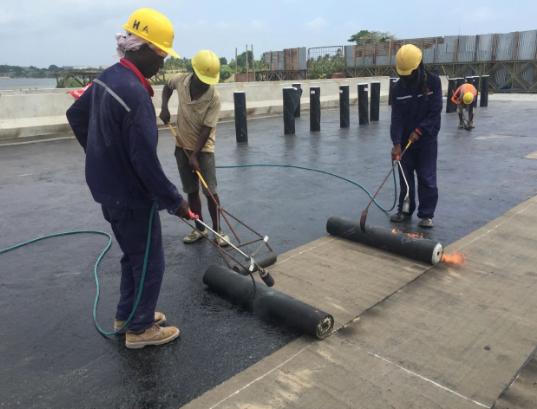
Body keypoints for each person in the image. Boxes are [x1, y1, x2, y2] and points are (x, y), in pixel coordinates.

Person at [66, 8, 193, 349]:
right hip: (130, 196)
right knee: (151, 258)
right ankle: (140, 330)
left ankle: (128, 314)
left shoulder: (108, 76)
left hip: (107, 189)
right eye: (162, 55)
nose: (163, 64)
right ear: (145, 49)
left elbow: (75, 114)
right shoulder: (136, 96)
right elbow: (144, 162)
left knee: (132, 254)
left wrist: (101, 157)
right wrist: (175, 201)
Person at [160, 50, 229, 246]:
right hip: (181, 145)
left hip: (203, 149)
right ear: (194, 72)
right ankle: (199, 229)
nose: (207, 82)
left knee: (210, 191)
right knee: (191, 191)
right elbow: (167, 87)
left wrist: (195, 155)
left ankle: (218, 231)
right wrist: (164, 107)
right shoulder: (181, 81)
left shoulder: (213, 97)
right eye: (203, 77)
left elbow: (207, 128)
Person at [389, 44, 443, 228]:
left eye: (409, 73)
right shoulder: (397, 89)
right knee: (406, 179)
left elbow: (435, 113)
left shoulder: (433, 83)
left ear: (419, 66)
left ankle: (426, 214)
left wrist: (420, 131)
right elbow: (396, 117)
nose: (406, 77)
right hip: (405, 142)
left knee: (426, 177)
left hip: (426, 141)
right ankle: (405, 211)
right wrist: (396, 142)